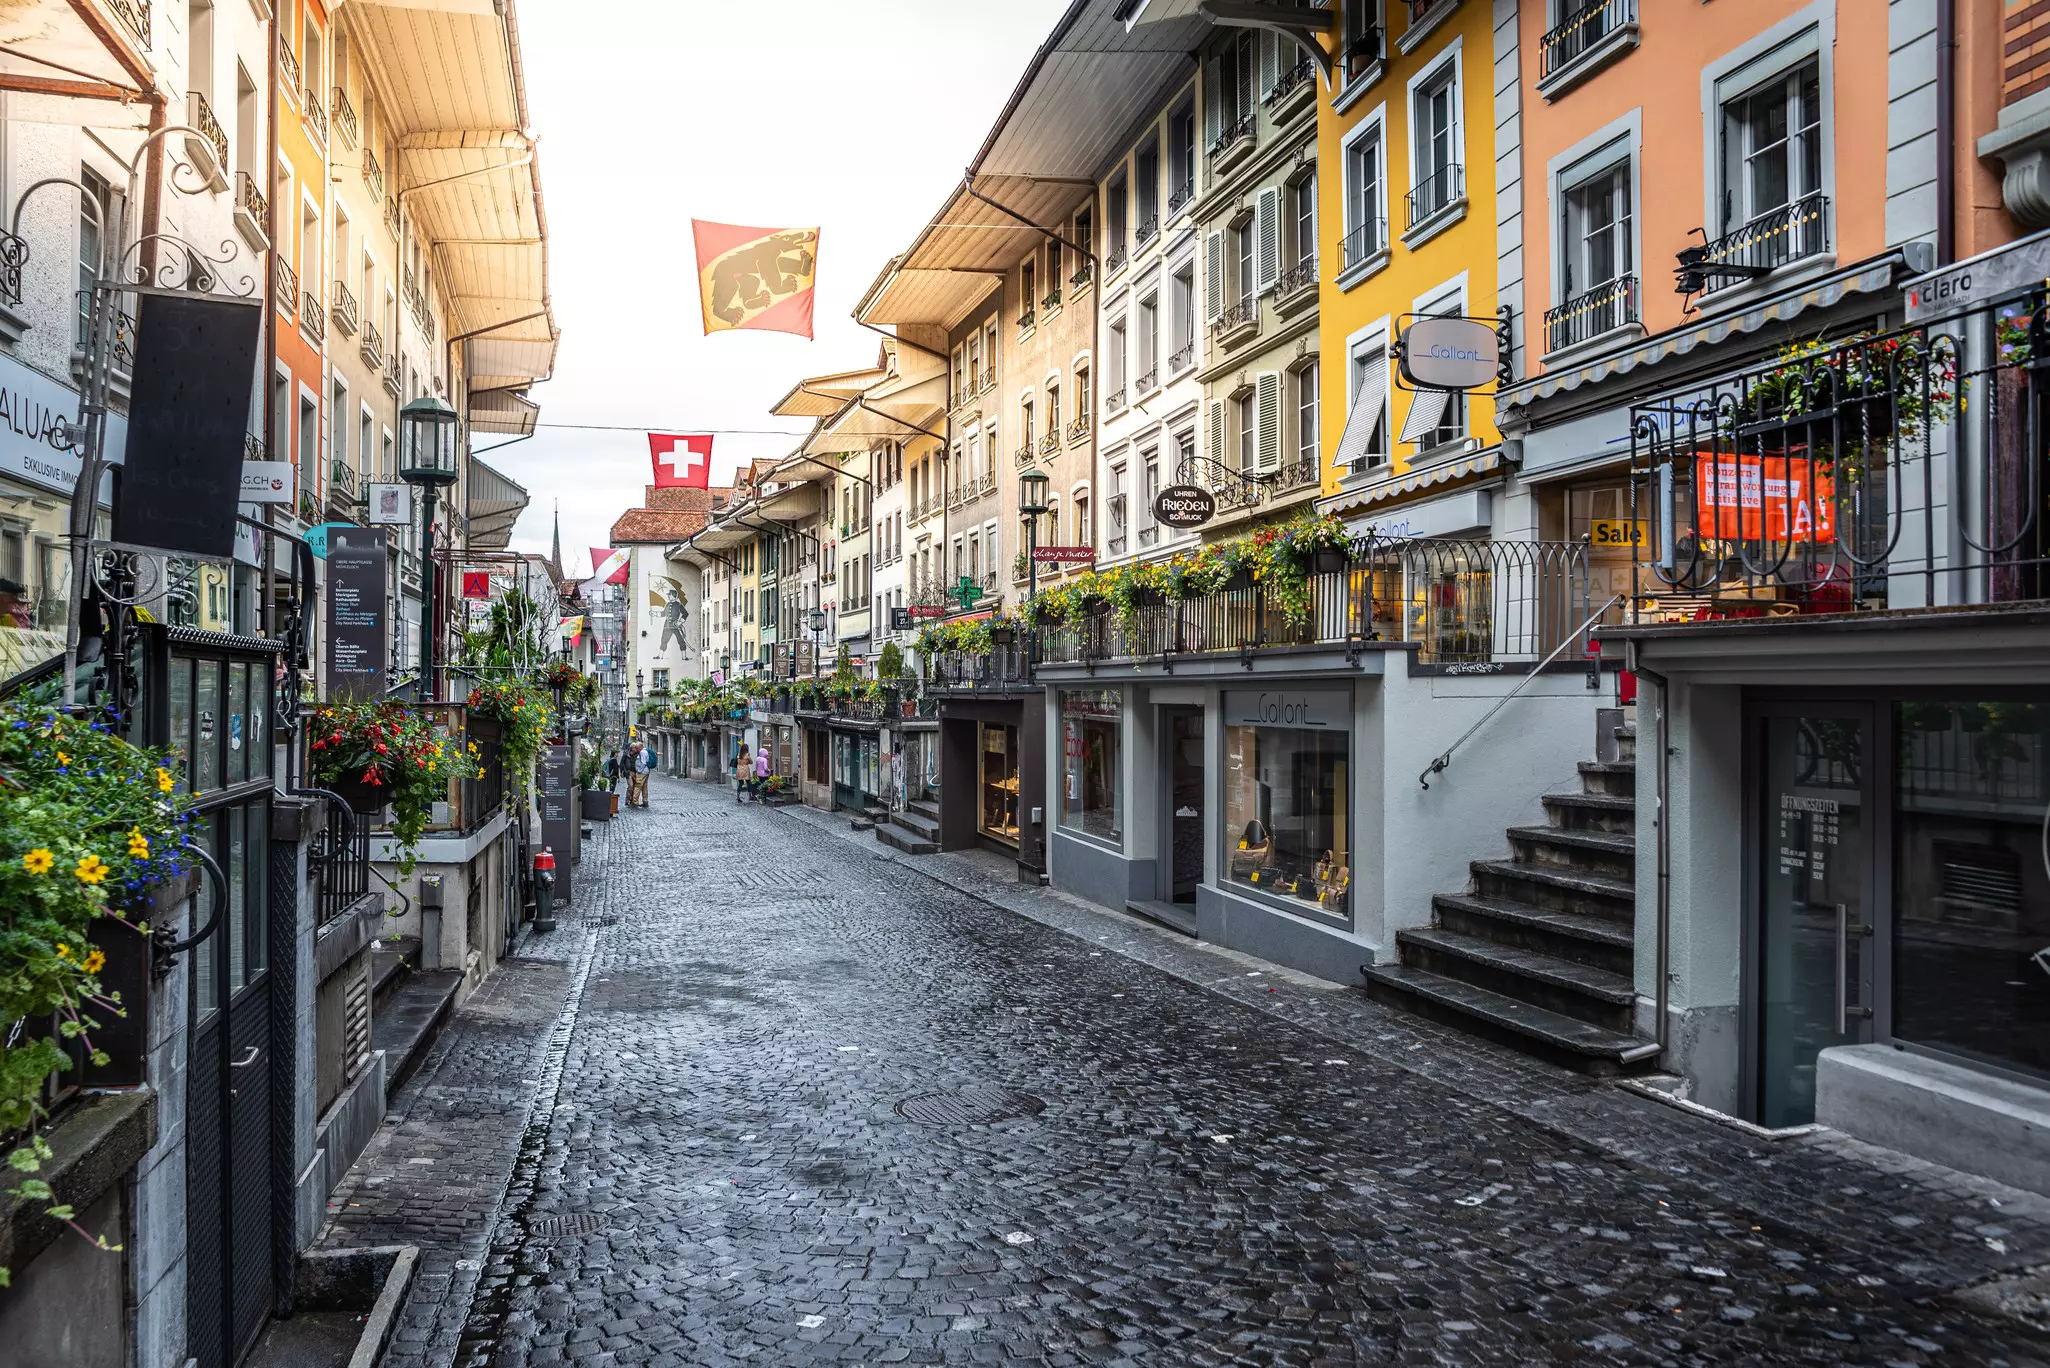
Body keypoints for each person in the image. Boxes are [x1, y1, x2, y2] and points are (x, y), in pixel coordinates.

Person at [629, 741, 652, 807]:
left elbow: (643, 763)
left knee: (638, 786)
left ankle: (635, 801)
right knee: (644, 787)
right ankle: (645, 801)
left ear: (640, 747)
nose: (636, 749)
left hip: (642, 772)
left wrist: (639, 770)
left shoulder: (642, 752)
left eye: (637, 747)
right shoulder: (644, 751)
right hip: (646, 771)